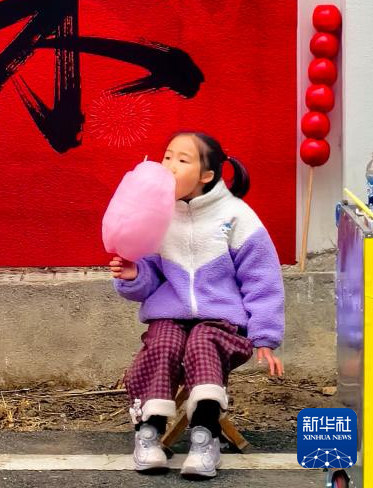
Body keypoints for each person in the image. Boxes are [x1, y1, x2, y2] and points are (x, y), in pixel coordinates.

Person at [110, 131, 285, 479]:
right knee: (163, 344)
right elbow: (149, 277)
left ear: (207, 175)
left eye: (182, 160)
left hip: (222, 324)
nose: (169, 166)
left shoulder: (236, 216)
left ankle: (206, 437)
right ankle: (148, 434)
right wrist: (134, 274)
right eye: (167, 156)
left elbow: (262, 278)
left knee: (202, 343)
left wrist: (265, 335)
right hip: (170, 317)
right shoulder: (157, 216)